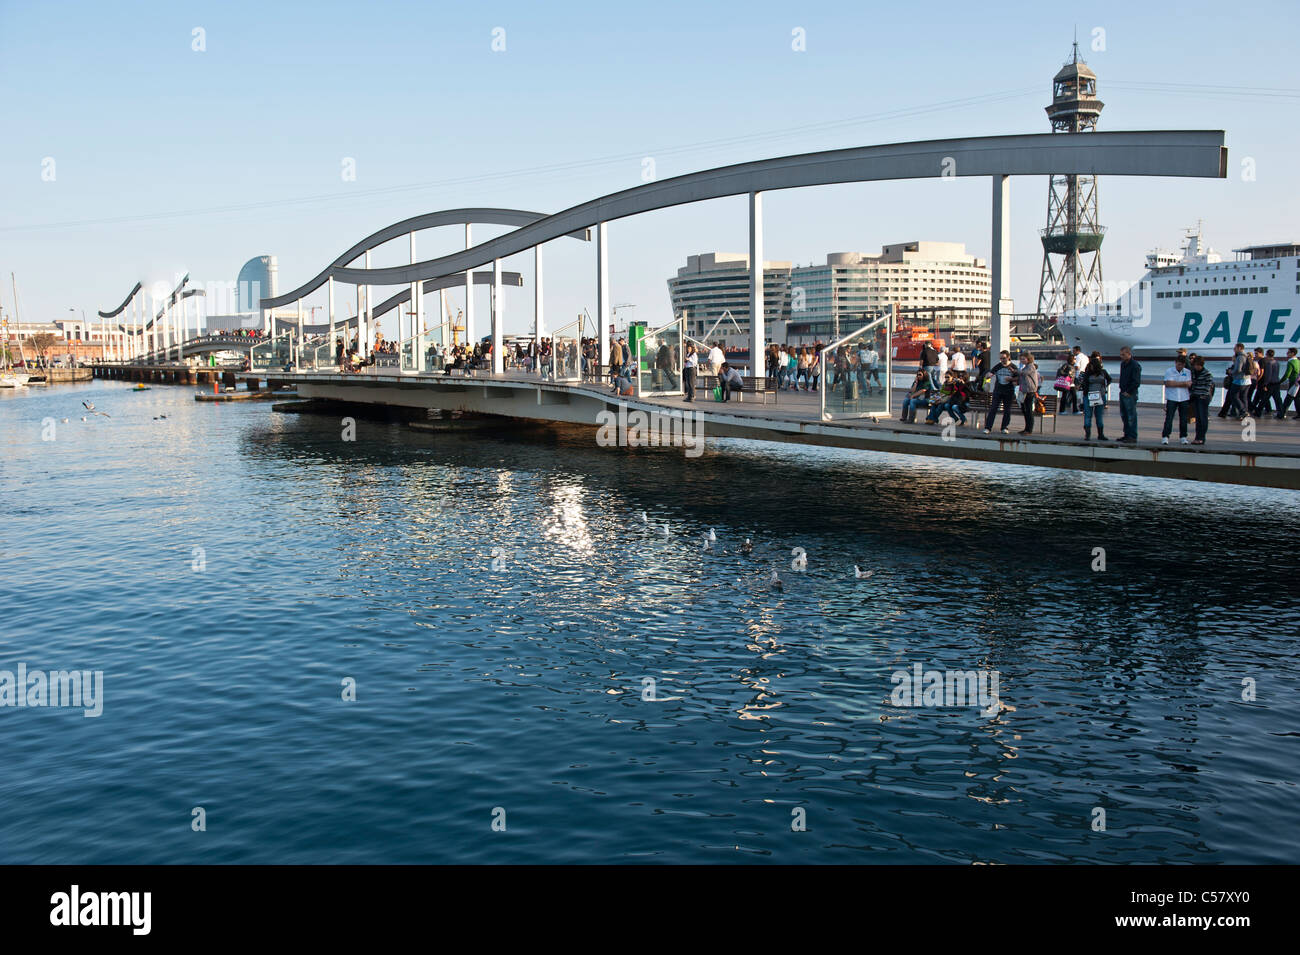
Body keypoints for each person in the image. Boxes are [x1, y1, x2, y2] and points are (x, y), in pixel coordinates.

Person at [982, 350, 1019, 434]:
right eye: (1001, 358)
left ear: (1008, 357)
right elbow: (990, 374)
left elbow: (1018, 378)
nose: (1002, 360)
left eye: (1004, 358)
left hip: (1008, 391)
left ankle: (1004, 427)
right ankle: (988, 427)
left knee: (1007, 410)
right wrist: (989, 375)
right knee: (993, 408)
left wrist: (1012, 380)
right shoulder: (998, 366)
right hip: (998, 390)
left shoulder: (1013, 367)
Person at [1160, 354, 1193, 445]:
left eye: (1182, 365)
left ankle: (1183, 437)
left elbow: (1189, 384)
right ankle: (1165, 436)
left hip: (1184, 398)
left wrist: (1175, 383)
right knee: (1169, 418)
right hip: (1172, 397)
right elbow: (1168, 383)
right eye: (1178, 364)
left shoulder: (1187, 371)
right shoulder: (1169, 371)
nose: (1180, 366)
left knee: (1183, 419)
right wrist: (1183, 383)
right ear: (1175, 363)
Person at [1078, 354, 1112, 440]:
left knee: (1096, 415)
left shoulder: (1101, 372)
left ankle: (1098, 434)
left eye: (1091, 365)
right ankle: (1089, 434)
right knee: (1091, 415)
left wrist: (1104, 386)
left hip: (1097, 396)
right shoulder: (1090, 372)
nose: (1090, 366)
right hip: (1092, 396)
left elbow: (1109, 379)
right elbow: (1084, 383)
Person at [1117, 345, 1142, 443]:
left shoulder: (1135, 365)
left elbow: (1136, 381)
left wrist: (1129, 391)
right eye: (1120, 355)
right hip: (1123, 392)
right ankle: (1126, 434)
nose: (1121, 356)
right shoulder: (1123, 364)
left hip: (1130, 394)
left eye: (1123, 355)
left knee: (1131, 415)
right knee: (1124, 415)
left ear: (1129, 354)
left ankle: (1132, 436)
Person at [1188, 355, 1215, 445]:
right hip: (1196, 397)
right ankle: (1197, 437)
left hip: (1203, 398)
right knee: (1198, 418)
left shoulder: (1207, 373)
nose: (1195, 367)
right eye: (1194, 365)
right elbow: (1192, 384)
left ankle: (1202, 438)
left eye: (1197, 365)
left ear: (1201, 365)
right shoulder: (1193, 372)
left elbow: (1208, 386)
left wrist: (1202, 395)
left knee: (1203, 418)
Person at [1017, 352, 1041, 435]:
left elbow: (1024, 373)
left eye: (1023, 359)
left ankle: (1029, 429)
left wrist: (1015, 370)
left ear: (1028, 359)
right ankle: (1026, 428)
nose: (1022, 360)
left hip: (1029, 391)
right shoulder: (1026, 366)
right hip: (1025, 391)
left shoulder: (1031, 366)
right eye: (1021, 359)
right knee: (1025, 410)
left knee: (1029, 410)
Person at [1277, 347, 1300, 419]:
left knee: (1288, 399)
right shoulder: (1298, 361)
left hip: (1293, 383)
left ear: (1292, 353)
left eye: (1288, 352)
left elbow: (1287, 374)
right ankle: (1299, 414)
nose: (1287, 353)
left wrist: (1280, 381)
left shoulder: (1291, 362)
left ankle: (1281, 414)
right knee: (1297, 399)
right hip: (1299, 383)